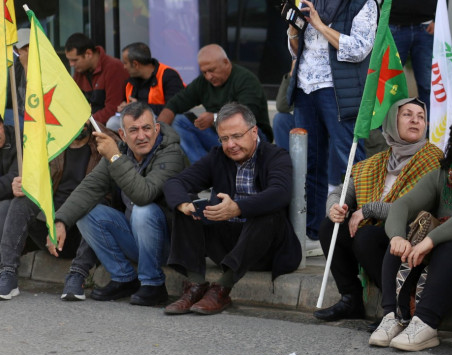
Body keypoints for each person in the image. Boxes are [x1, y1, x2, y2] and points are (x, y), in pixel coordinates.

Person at [370, 110, 452, 351]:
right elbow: (402, 205)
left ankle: (426, 323)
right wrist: (398, 238)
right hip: (437, 267)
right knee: (397, 241)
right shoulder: (442, 175)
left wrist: (430, 240)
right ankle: (392, 316)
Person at [162, 103, 301, 315]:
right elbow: (174, 183)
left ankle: (222, 289)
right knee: (188, 205)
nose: (231, 145)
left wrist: (237, 208)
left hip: (267, 248)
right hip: (228, 243)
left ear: (254, 132)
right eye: (224, 139)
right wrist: (185, 205)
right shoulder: (218, 156)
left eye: (237, 136)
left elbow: (280, 193)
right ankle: (196, 285)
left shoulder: (275, 156)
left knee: (267, 211)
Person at [314, 98, 443, 321]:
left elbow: (419, 209)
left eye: (420, 116)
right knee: (330, 226)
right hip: (373, 234)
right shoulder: (378, 161)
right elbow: (341, 192)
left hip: (410, 235)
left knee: (367, 236)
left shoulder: (433, 158)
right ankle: (351, 299)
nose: (415, 120)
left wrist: (369, 210)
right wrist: (334, 207)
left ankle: (399, 304)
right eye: (407, 114)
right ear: (392, 121)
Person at [48, 103, 187, 306]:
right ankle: (124, 278)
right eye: (134, 130)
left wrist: (114, 157)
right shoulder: (122, 153)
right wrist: (59, 221)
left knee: (143, 210)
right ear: (122, 134)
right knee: (87, 212)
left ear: (156, 129)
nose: (142, 136)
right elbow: (89, 188)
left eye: (147, 128)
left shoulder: (171, 153)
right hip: (135, 239)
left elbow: (143, 194)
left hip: (169, 246)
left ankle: (153, 285)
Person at [287, 0, 378, 240]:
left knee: (348, 160)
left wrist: (321, 26)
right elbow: (298, 50)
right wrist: (292, 32)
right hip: (305, 87)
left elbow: (360, 49)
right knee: (308, 160)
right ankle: (314, 230)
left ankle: (358, 228)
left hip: (339, 90)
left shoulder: (363, 1)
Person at [0, 123, 103, 300]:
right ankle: (8, 272)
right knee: (23, 199)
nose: (79, 122)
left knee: (98, 208)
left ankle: (77, 274)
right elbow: (33, 182)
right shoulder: (49, 144)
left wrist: (61, 220)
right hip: (49, 230)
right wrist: (22, 184)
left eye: (82, 116)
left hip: (84, 232)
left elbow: (103, 194)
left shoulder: (103, 145)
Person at [157, 45, 272, 164]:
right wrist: (157, 134)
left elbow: (248, 115)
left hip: (252, 138)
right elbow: (175, 103)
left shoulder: (246, 80)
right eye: (204, 72)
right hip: (220, 137)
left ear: (226, 62)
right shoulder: (203, 82)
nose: (208, 76)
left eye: (212, 70)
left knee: (244, 128)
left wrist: (215, 118)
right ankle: (205, 169)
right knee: (179, 121)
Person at [107, 42, 185, 131]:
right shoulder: (130, 81)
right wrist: (125, 107)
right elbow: (130, 104)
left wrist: (140, 106)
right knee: (113, 123)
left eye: (125, 63)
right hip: (135, 120)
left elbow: (175, 107)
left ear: (136, 64)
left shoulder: (168, 75)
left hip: (161, 120)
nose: (124, 67)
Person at [65, 33, 130, 127]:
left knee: (112, 123)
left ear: (88, 54)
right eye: (69, 60)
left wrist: (86, 123)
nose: (71, 64)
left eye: (75, 60)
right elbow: (71, 101)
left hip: (107, 127)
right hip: (91, 124)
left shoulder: (113, 68)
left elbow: (112, 109)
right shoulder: (79, 71)